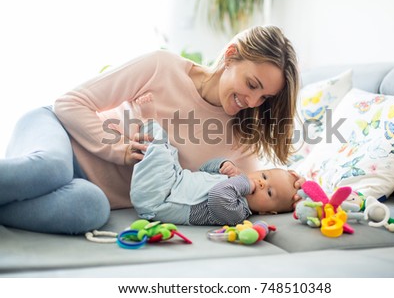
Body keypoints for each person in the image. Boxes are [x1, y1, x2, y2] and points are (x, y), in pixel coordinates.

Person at [0, 25, 302, 235]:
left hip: (87, 189)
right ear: (231, 55)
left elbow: (261, 189)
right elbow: (69, 103)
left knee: (91, 210)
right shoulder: (163, 67)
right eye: (251, 85)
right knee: (51, 169)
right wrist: (118, 150)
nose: (251, 101)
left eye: (264, 98)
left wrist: (297, 191)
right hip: (56, 134)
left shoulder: (241, 142)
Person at [129, 93, 303, 225]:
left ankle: (148, 120)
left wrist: (244, 182)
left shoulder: (238, 212)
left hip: (159, 200)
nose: (262, 184)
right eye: (264, 176)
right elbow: (204, 169)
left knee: (159, 150)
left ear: (267, 213)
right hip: (175, 181)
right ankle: (146, 132)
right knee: (169, 150)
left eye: (270, 193)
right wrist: (223, 165)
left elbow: (217, 195)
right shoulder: (235, 181)